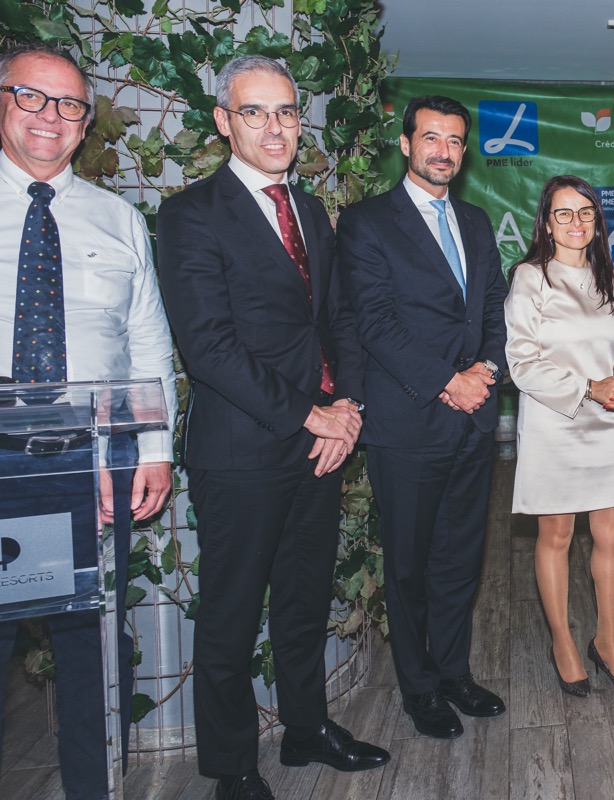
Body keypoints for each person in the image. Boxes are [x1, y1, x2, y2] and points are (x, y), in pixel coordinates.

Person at [157, 55, 387, 800]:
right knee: (230, 617)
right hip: (241, 452)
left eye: (286, 111)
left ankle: (306, 730)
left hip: (319, 447)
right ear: (224, 121)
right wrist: (310, 412)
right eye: (254, 112)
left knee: (303, 600)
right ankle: (232, 769)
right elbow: (208, 346)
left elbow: (338, 321)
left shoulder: (311, 211)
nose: (275, 127)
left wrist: (347, 410)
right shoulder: (191, 214)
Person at [0, 44, 177, 800]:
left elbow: (149, 344)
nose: (51, 116)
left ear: (84, 122)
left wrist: (156, 449)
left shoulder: (118, 218)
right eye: (31, 96)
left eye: (69, 104)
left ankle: (90, 790)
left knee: (89, 644)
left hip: (91, 460)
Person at [337, 95, 508, 740]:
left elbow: (493, 308)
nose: (444, 150)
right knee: (408, 566)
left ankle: (455, 671)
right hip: (409, 422)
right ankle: (419, 687)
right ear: (406, 144)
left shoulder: (476, 221)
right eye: (431, 138)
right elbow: (374, 322)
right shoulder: (367, 222)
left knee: (461, 559)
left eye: (455, 141)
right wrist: (447, 382)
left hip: (473, 419)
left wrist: (485, 371)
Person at [504, 175, 614, 696]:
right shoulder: (530, 277)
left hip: (605, 420)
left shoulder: (612, 278)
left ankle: (606, 641)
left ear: (597, 221)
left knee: (613, 534)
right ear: (546, 222)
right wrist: (590, 387)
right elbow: (521, 362)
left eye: (585, 212)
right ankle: (562, 641)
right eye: (563, 213)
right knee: (556, 536)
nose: (576, 222)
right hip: (553, 420)